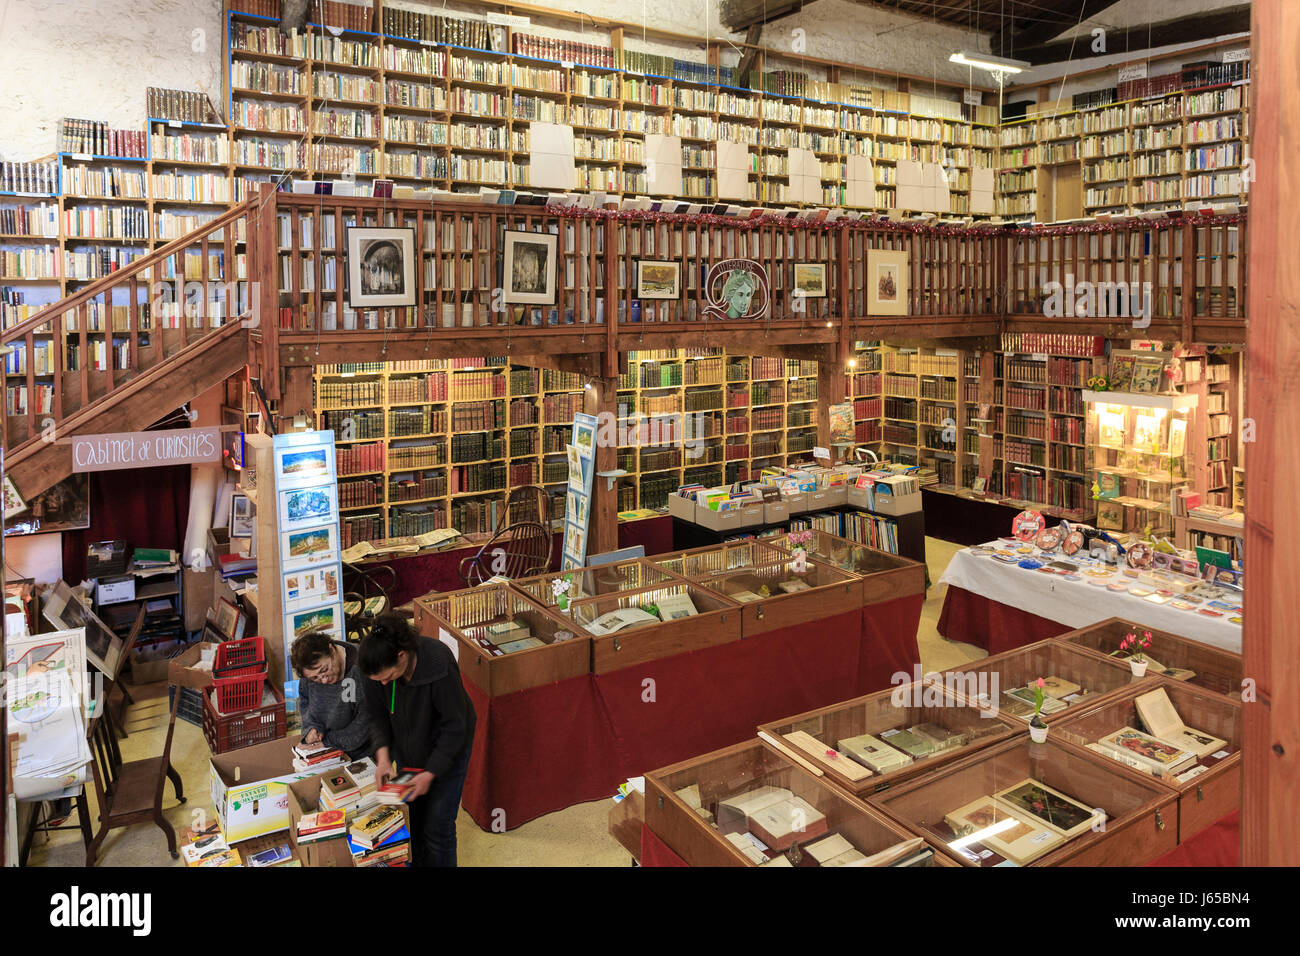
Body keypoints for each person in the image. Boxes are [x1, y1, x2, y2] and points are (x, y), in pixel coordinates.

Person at [359, 613, 476, 867]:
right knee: (413, 818)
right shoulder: (374, 669)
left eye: (387, 678)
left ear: (402, 655)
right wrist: (382, 759)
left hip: (447, 744)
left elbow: (455, 727)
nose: (383, 683)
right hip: (408, 743)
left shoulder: (437, 662)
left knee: (438, 826)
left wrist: (431, 772)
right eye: (377, 680)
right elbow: (377, 717)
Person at [291, 630, 372, 760]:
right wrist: (311, 727)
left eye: (324, 670)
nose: (323, 680)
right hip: (327, 748)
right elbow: (305, 700)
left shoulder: (361, 668)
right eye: (315, 678)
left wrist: (328, 742)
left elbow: (367, 721)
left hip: (362, 752)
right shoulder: (309, 669)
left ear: (332, 650)